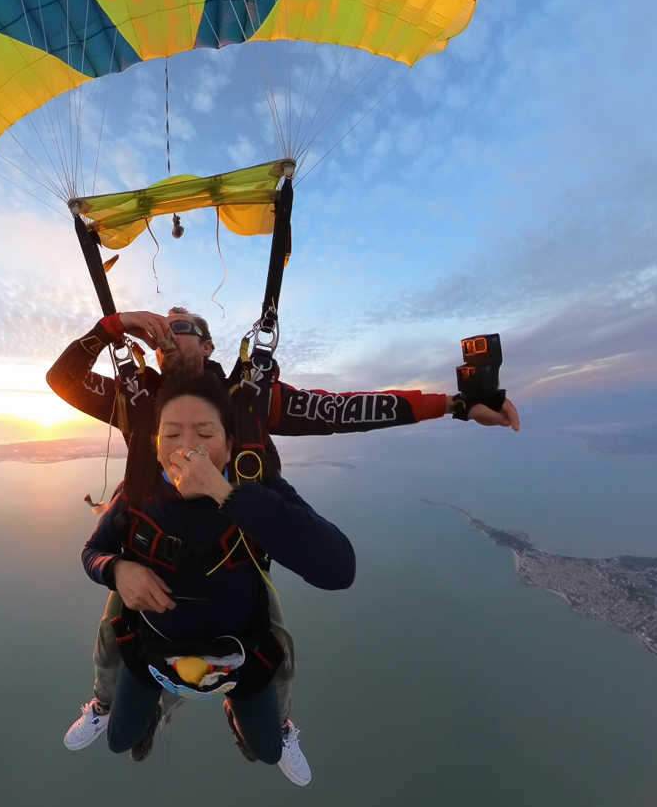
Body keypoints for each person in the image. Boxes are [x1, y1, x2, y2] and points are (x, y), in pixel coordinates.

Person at [54, 308, 519, 782]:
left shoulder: (247, 404)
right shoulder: (137, 399)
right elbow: (64, 379)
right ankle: (110, 703)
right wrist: (116, 325)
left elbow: (342, 411)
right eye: (159, 333)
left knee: (273, 659)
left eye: (182, 328)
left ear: (209, 345)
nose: (167, 337)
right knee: (113, 639)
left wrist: (453, 405)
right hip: (147, 534)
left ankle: (265, 719)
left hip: (233, 549)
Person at [80, 371, 355, 775]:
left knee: (267, 751)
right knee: (120, 740)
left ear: (228, 445)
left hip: (241, 654)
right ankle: (152, 715)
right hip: (155, 650)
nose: (187, 448)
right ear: (156, 445)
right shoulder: (136, 494)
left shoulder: (256, 489)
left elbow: (338, 567)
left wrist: (227, 495)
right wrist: (117, 569)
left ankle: (239, 716)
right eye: (171, 435)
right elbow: (92, 552)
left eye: (204, 434)